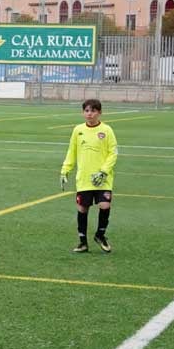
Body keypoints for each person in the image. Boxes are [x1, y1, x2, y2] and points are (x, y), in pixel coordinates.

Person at [61, 98, 118, 254]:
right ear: (83, 112)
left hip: (103, 178)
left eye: (93, 111)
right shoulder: (78, 130)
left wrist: (103, 171)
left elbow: (113, 153)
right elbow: (71, 152)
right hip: (84, 178)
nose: (90, 114)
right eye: (87, 111)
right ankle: (83, 242)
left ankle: (100, 235)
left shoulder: (107, 130)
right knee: (82, 208)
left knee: (105, 205)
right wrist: (65, 170)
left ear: (99, 113)